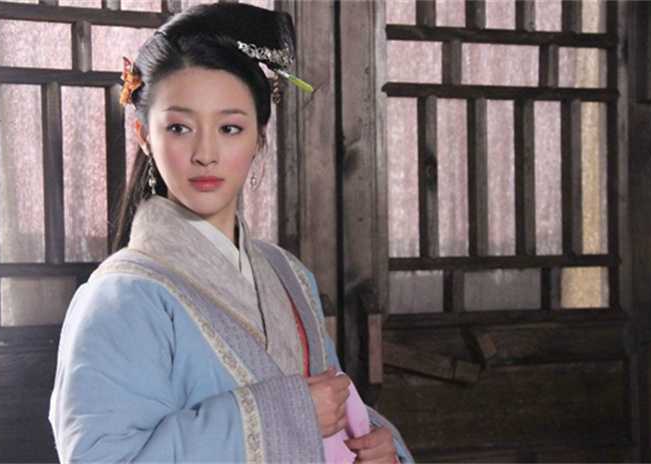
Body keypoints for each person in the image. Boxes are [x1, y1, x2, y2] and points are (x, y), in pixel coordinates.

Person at [48, 3, 413, 463]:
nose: (206, 153)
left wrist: (373, 445)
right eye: (179, 127)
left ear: (259, 137)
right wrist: (289, 414)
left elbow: (333, 406)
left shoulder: (288, 275)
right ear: (144, 135)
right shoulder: (121, 298)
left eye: (229, 127)